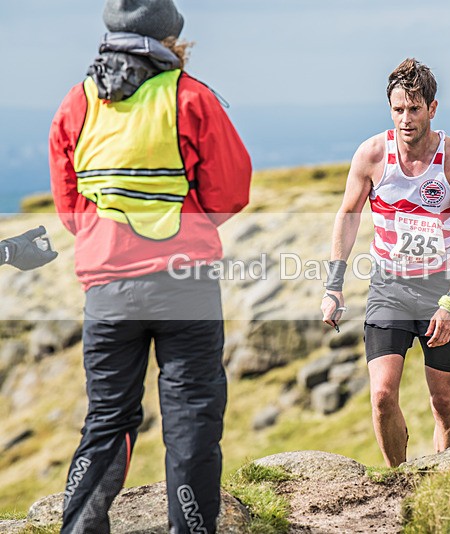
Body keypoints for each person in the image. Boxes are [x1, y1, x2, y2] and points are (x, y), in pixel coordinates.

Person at [49, 0, 252, 532]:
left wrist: (107, 243)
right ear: (172, 38)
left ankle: (79, 528)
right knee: (191, 421)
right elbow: (230, 192)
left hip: (108, 286)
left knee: (108, 420)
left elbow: (69, 207)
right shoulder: (190, 97)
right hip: (185, 286)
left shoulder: (77, 103)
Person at [320, 58, 450, 467]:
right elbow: (348, 215)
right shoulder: (372, 154)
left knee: (443, 402)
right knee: (382, 396)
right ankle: (399, 481)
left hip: (442, 287)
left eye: (414, 109)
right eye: (397, 110)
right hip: (390, 287)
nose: (405, 119)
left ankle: (446, 486)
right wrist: (333, 286)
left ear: (432, 108)